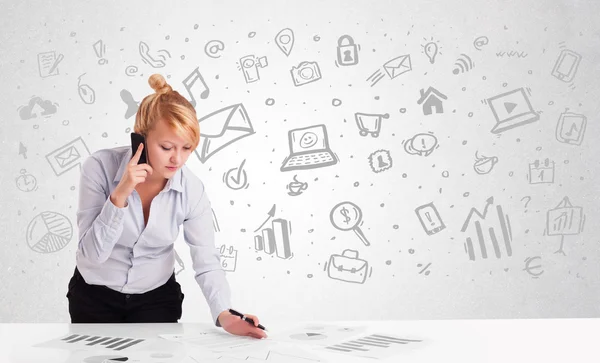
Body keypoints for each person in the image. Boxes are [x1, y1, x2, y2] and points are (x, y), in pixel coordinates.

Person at [66, 73, 266, 339]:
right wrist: (120, 194)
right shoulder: (99, 168)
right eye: (166, 146)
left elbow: (206, 260)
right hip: (93, 297)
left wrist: (224, 313)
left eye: (187, 148)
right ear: (140, 138)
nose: (177, 159)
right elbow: (92, 256)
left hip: (156, 300)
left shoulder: (191, 189)